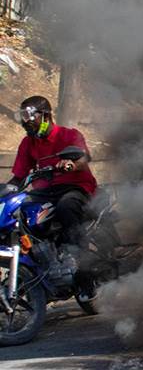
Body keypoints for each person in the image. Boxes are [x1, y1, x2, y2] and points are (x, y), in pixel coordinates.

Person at [9, 95, 98, 263]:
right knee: (18, 210)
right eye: (22, 117)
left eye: (29, 116)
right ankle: (35, 257)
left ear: (45, 116)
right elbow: (18, 177)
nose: (25, 121)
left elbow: (84, 158)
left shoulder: (69, 135)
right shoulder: (28, 143)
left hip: (75, 188)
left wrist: (71, 164)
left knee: (67, 205)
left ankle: (78, 257)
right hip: (45, 192)